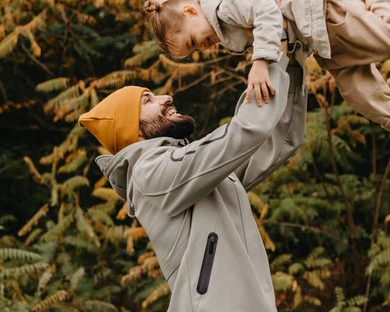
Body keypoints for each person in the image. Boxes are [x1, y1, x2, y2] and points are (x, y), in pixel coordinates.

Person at [143, 0, 390, 190]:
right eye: (195, 51)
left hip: (321, 12)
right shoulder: (223, 25)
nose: (203, 47)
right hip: (316, 38)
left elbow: (265, 8)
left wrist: (260, 62)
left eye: (194, 41)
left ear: (190, 10)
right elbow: (278, 35)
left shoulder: (223, 3)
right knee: (360, 91)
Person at [78, 51, 307, 311]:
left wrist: (291, 58)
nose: (166, 97)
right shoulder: (149, 173)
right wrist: (270, 59)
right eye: (148, 100)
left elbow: (275, 141)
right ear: (135, 130)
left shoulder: (187, 172)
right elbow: (245, 132)